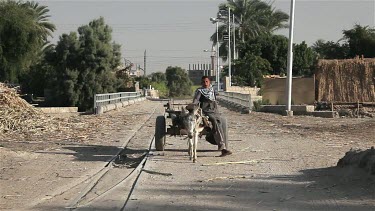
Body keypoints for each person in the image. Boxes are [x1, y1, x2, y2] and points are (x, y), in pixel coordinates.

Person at [192, 76, 232, 157]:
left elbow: (217, 98)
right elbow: (196, 100)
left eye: (207, 81)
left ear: (209, 82)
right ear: (201, 83)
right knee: (214, 121)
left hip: (215, 111)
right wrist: (193, 105)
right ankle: (222, 147)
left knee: (219, 123)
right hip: (206, 112)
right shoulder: (200, 91)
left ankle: (215, 138)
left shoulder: (212, 90)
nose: (205, 83)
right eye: (203, 82)